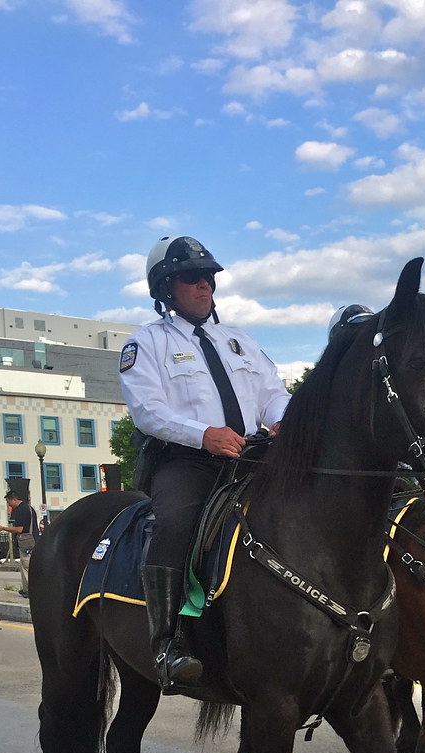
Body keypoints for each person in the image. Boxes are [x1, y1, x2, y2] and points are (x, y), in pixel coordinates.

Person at [119, 235, 291, 693]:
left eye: (209, 277)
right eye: (191, 278)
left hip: (253, 458)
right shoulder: (145, 343)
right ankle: (168, 640)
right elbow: (147, 411)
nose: (204, 286)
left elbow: (275, 394)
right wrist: (204, 435)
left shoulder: (240, 340)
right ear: (165, 287)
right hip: (187, 462)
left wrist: (283, 424)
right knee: (175, 522)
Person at [0, 491, 40, 598]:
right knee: (31, 566)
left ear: (13, 499)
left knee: (26, 566)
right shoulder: (29, 508)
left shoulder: (20, 510)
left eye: (9, 503)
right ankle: (32, 589)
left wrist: (3, 528)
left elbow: (19, 529)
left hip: (26, 542)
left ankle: (28, 590)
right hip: (34, 539)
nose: (9, 505)